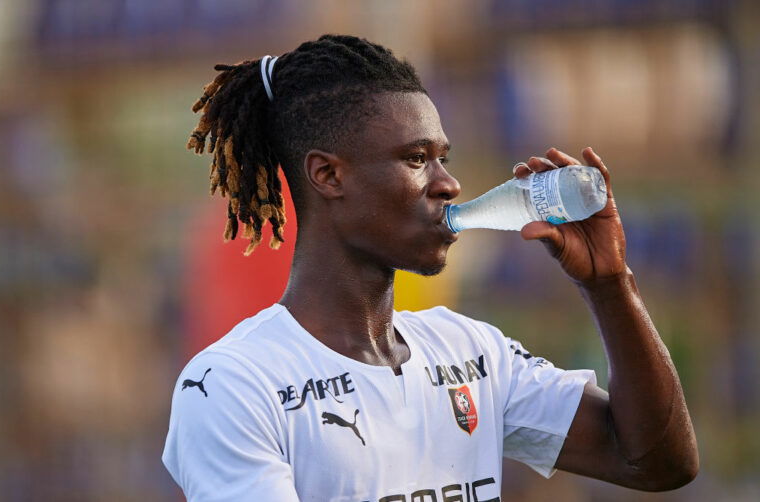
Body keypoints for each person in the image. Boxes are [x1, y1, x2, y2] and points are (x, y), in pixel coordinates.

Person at [162, 34, 698, 501]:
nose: (449, 184)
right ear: (328, 175)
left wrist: (609, 285)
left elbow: (657, 463)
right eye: (417, 159)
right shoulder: (232, 384)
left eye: (444, 158)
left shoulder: (472, 352)